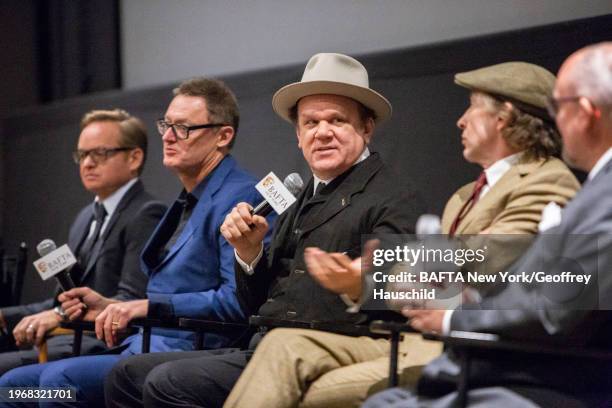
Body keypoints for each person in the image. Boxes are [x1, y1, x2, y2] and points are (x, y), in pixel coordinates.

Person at [223, 62, 581, 408]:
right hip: (425, 336)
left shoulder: (546, 179)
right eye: (310, 123)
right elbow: (431, 273)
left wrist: (365, 281)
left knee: (299, 370)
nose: (461, 120)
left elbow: (485, 263)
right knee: (284, 349)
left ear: (502, 119)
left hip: (478, 346)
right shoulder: (463, 195)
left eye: (472, 108)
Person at [104, 52, 422, 407]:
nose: (323, 133)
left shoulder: (394, 195)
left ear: (366, 128)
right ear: (298, 135)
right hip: (260, 345)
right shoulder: (297, 195)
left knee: (168, 383)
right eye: (311, 123)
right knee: (126, 375)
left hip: (323, 345)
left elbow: (412, 290)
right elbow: (254, 303)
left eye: (337, 120)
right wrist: (249, 252)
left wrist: (357, 282)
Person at [364, 41, 612, 408]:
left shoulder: (559, 184)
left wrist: (443, 309)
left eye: (560, 107)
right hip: (490, 351)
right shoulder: (466, 194)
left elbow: (491, 270)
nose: (460, 120)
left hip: (537, 374)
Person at [0, 77, 269, 407]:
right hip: (141, 346)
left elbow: (237, 301)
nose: (168, 137)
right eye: (166, 125)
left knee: (60, 382)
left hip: (189, 355)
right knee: (13, 386)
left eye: (183, 128)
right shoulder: (191, 197)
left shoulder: (241, 196)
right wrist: (109, 305)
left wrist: (145, 306)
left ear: (223, 136)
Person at [0, 109, 165, 375]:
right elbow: (61, 301)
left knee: (7, 384)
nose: (87, 163)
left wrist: (60, 316)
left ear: (134, 157)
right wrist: (6, 316)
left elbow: (130, 299)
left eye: (99, 154)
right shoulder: (85, 217)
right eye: (82, 155)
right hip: (65, 336)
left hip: (104, 343)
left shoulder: (147, 213)